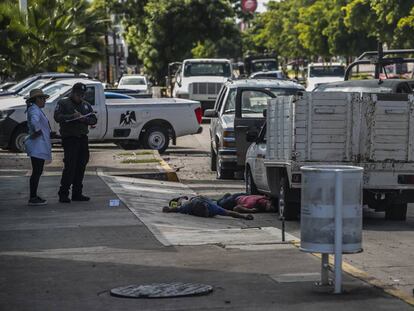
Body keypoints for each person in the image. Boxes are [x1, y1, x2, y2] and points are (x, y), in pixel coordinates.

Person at [54, 82, 97, 203]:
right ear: (72, 93)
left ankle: (77, 193)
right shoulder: (63, 103)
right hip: (70, 139)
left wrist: (85, 119)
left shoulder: (86, 105)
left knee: (81, 165)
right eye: (78, 94)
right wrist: (71, 117)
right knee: (70, 166)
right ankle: (63, 193)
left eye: (82, 95)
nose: (80, 97)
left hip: (82, 138)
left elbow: (94, 119)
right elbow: (57, 117)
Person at [24, 89, 52, 206]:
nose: (44, 101)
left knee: (37, 171)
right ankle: (33, 197)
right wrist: (37, 131)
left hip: (39, 145)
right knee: (36, 172)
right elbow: (35, 122)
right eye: (42, 98)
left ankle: (34, 196)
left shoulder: (35, 109)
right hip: (37, 146)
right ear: (37, 100)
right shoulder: (34, 110)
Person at [163, 196, 254, 220]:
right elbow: (177, 209)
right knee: (181, 205)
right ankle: (181, 199)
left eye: (204, 212)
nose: (204, 214)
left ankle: (182, 199)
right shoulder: (189, 207)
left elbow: (230, 213)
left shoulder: (213, 208)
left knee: (224, 201)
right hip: (196, 201)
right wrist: (169, 209)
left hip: (206, 201)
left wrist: (244, 216)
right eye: (201, 213)